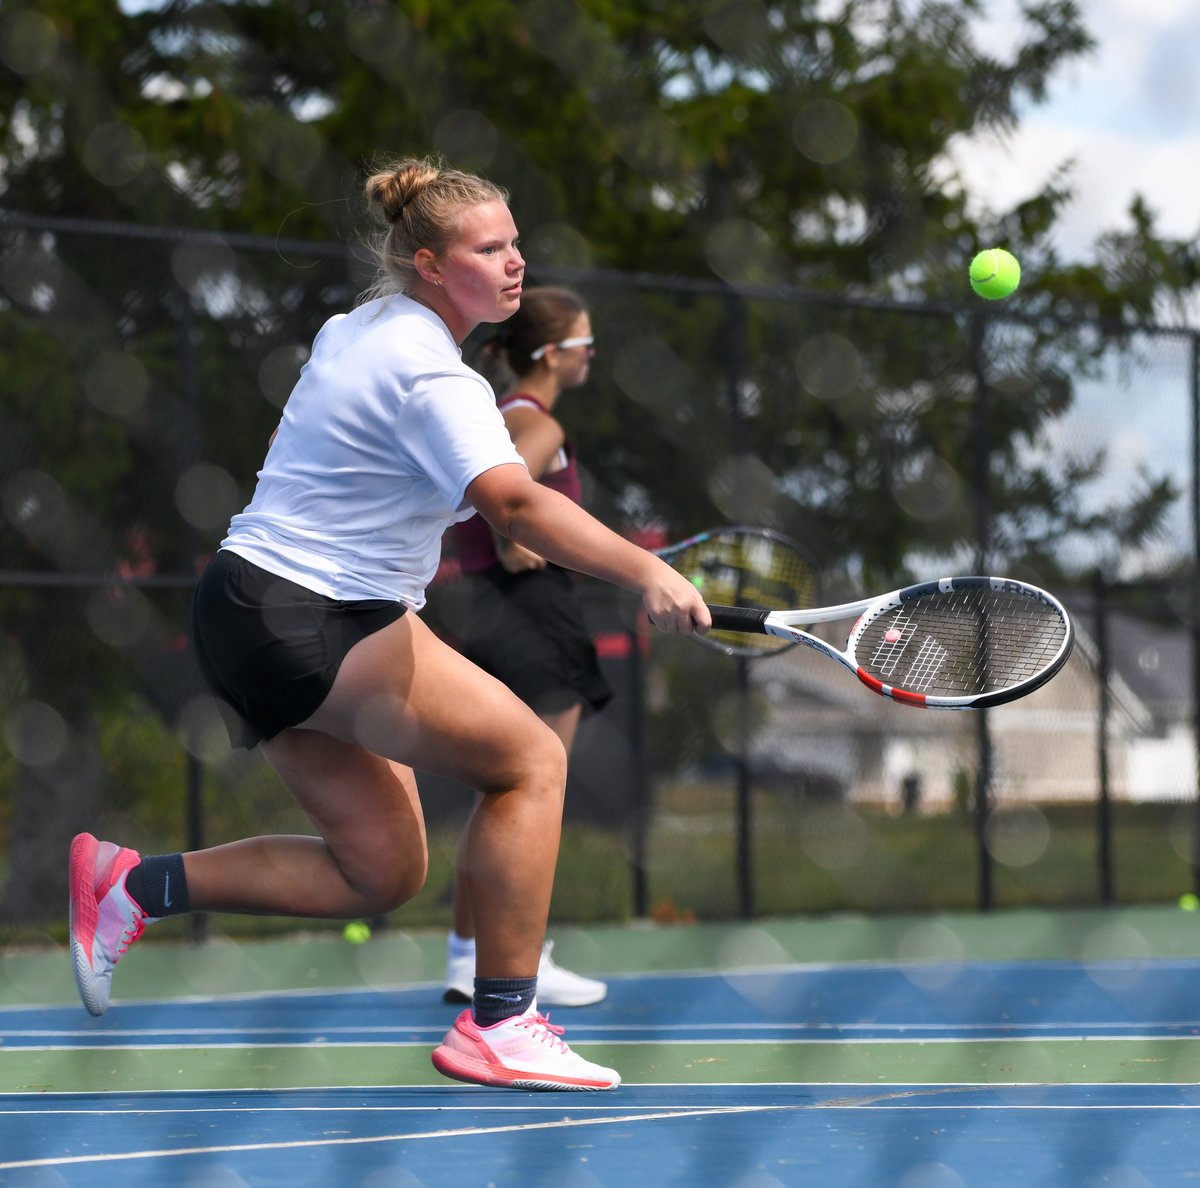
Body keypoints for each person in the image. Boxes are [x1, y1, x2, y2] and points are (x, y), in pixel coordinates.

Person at [67, 155, 710, 1093]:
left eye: (515, 243)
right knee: (530, 762)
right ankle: (503, 1021)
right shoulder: (434, 378)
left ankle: (130, 885)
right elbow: (514, 505)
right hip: (313, 612)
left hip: (246, 607)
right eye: (487, 250)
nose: (514, 263)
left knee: (381, 872)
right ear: (429, 265)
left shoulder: (355, 328)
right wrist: (648, 568)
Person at [444, 287, 609, 1009]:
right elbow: (510, 489)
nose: (591, 355)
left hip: (498, 611)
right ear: (550, 354)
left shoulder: (500, 413)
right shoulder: (534, 420)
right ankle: (516, 964)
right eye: (583, 343)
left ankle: (468, 956)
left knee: (503, 793)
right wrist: (513, 541)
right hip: (532, 612)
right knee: (537, 790)